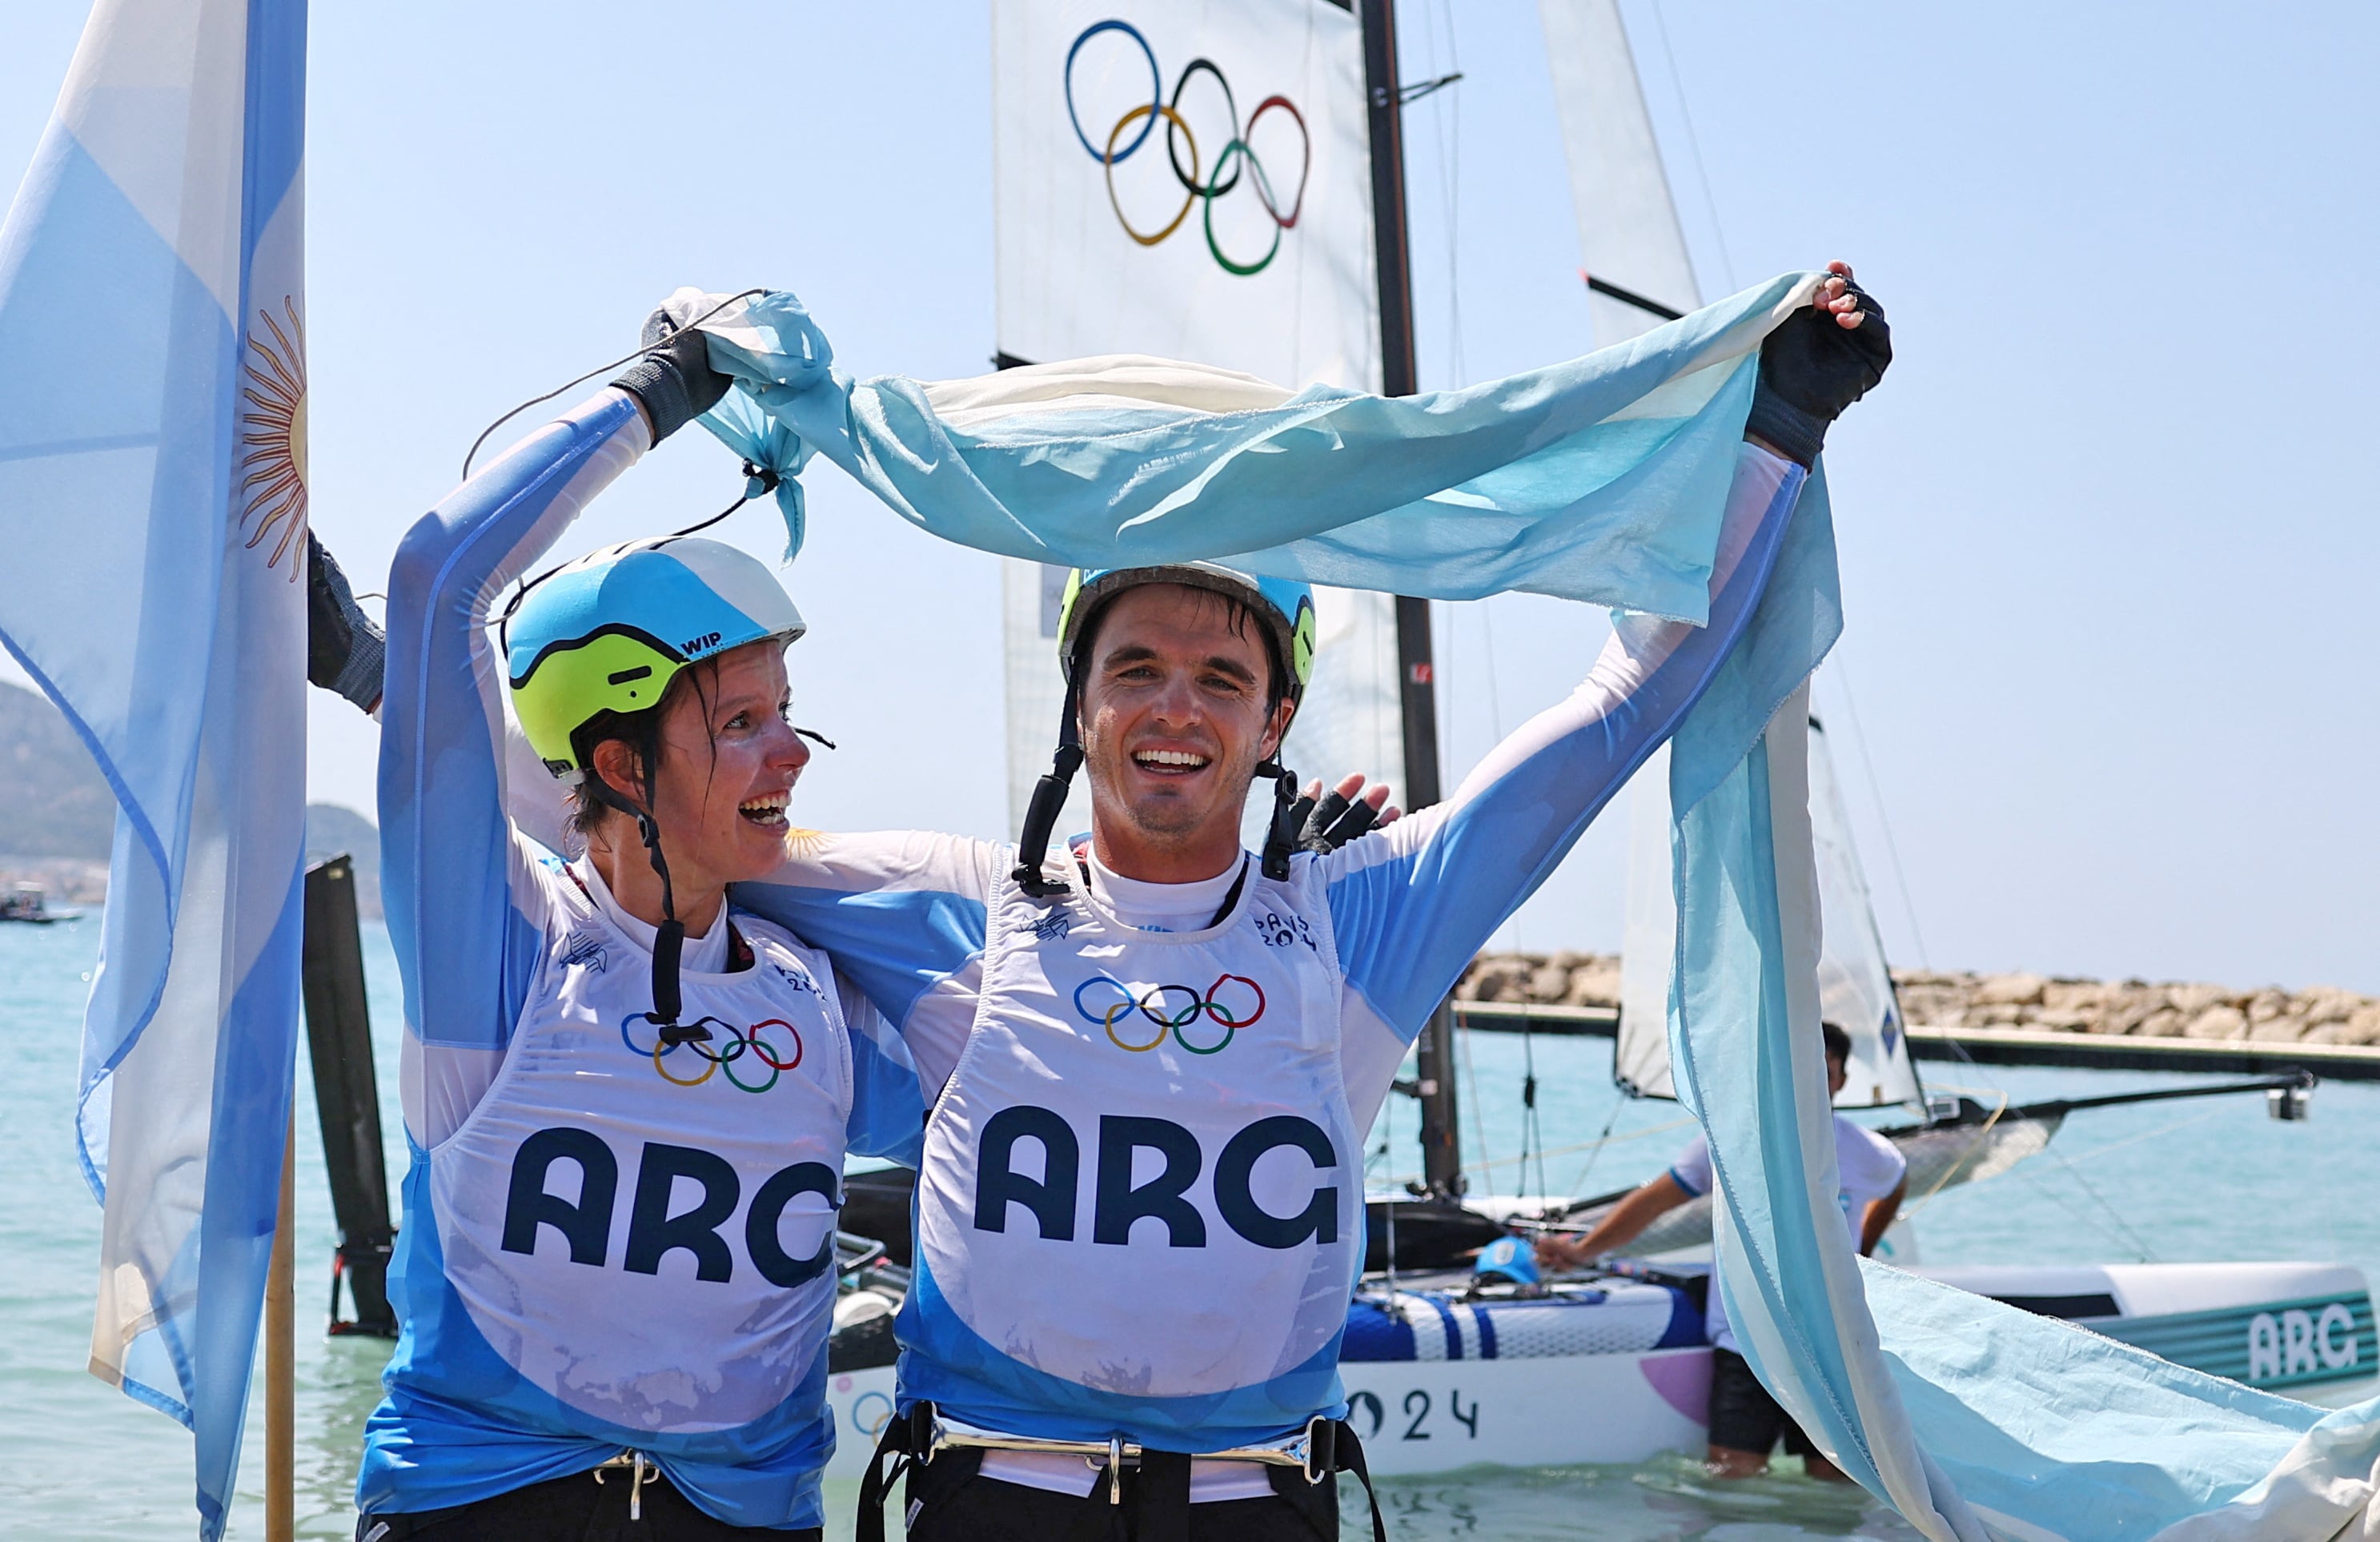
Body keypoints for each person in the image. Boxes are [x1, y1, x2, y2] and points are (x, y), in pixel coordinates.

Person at [725, 265, 1890, 1540]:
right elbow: (631, 820)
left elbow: (1620, 707)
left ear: (1276, 716)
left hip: (1258, 1504)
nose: (1176, 709)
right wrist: (656, 401)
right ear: (1082, 703)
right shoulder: (949, 902)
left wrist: (1779, 428)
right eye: (1137, 669)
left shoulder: (1370, 915)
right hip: (997, 1493)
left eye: (1222, 678)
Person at [353, 319, 925, 1539]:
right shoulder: (504, 949)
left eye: (789, 713)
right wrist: (663, 388)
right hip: (485, 1506)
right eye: (740, 722)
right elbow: (437, 579)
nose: (793, 755)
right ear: (615, 759)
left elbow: (1050, 1073)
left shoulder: (821, 992)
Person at [1534, 1022, 1910, 1480]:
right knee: (1733, 1477)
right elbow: (1655, 1201)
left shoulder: (1866, 1152)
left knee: (1834, 1480)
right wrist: (1582, 1251)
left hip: (1830, 1345)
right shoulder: (1733, 1141)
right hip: (1749, 1341)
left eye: (1824, 1072)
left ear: (1841, 1082)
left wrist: (1864, 1249)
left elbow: (1896, 1180)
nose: (1811, 1082)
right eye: (1800, 1070)